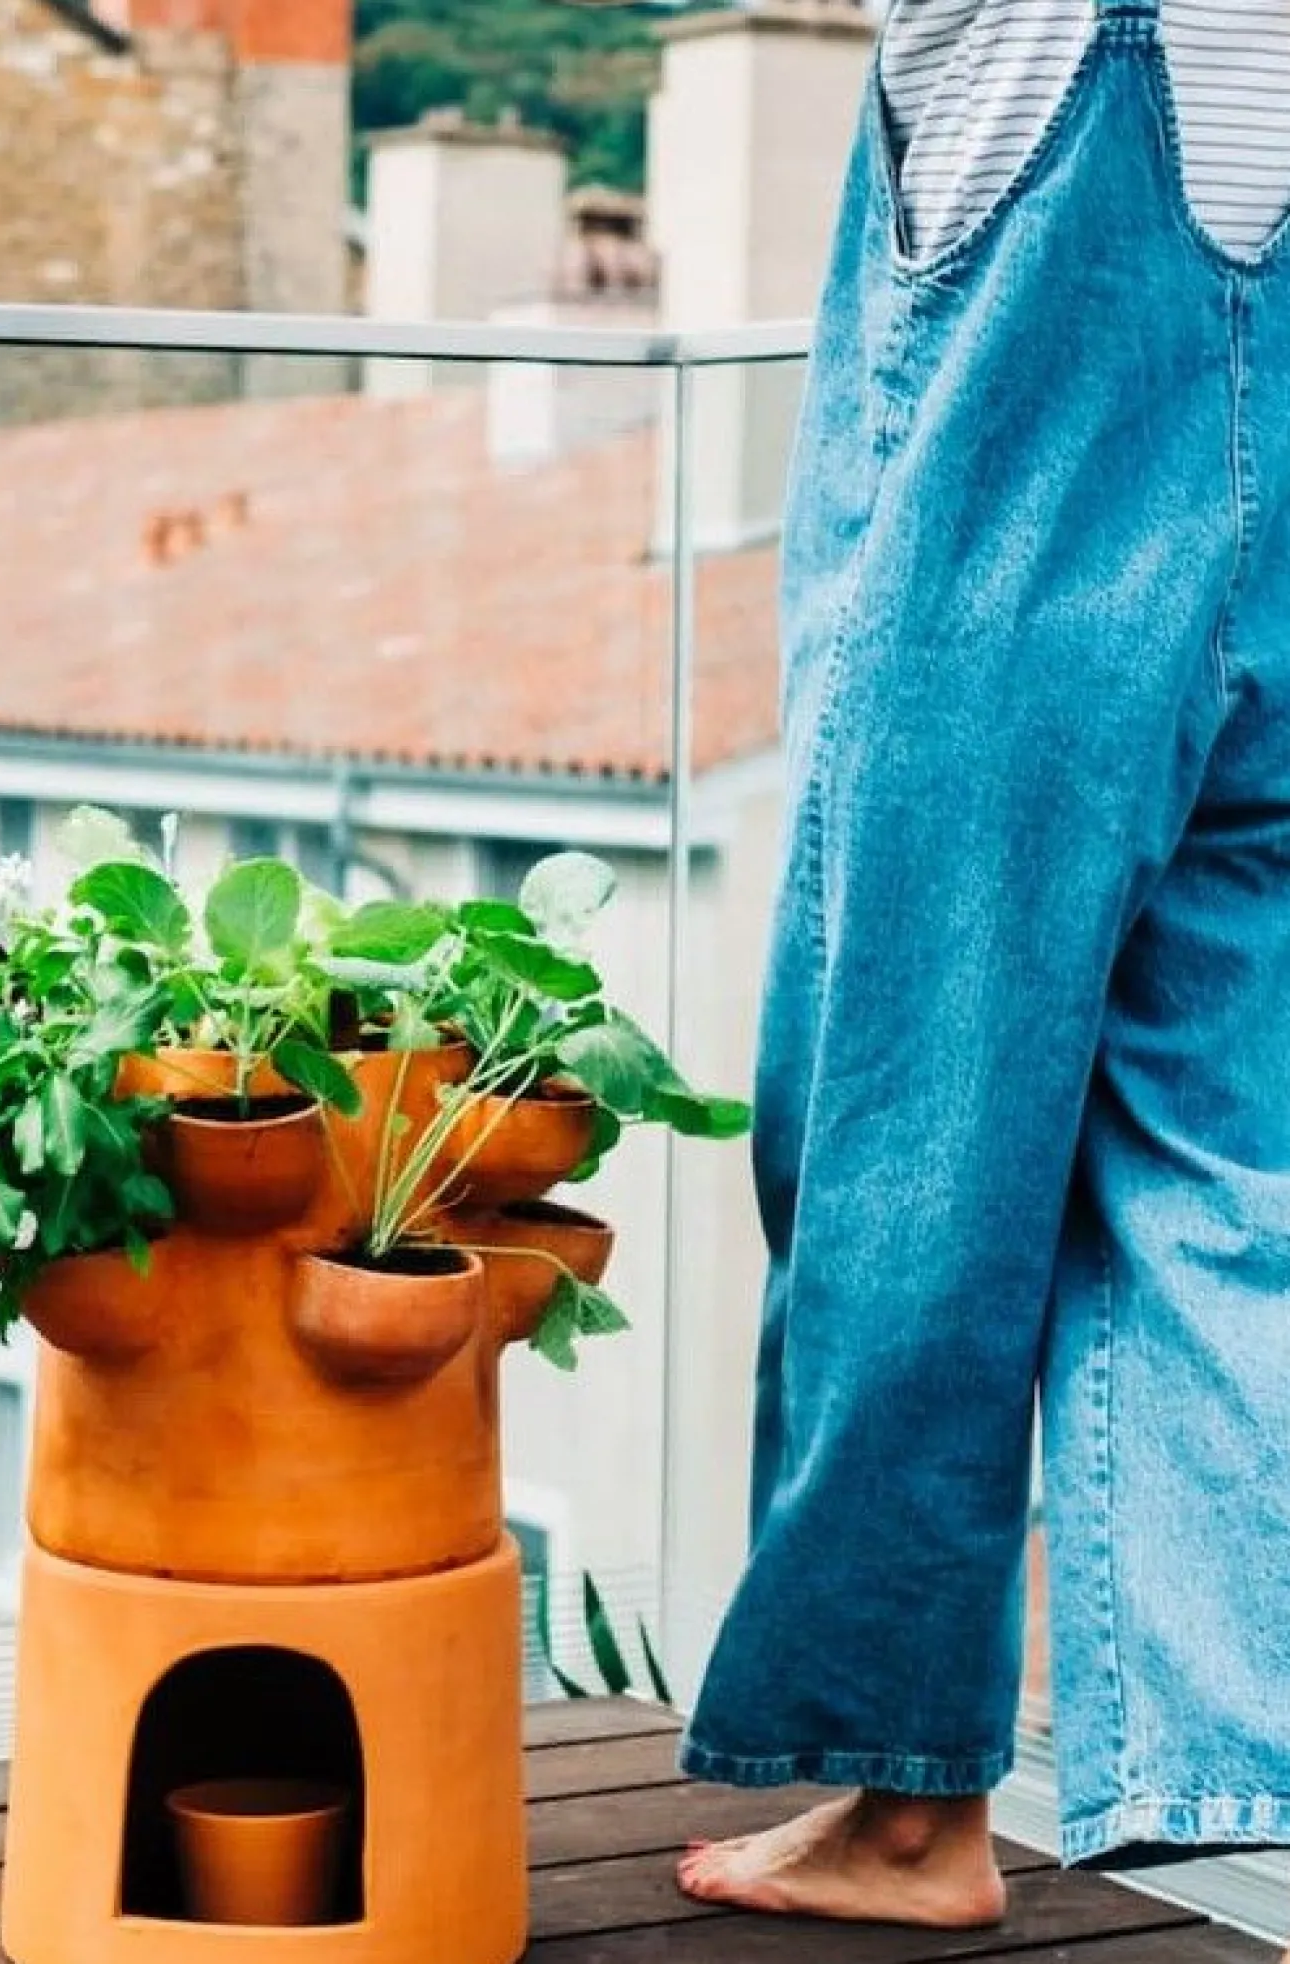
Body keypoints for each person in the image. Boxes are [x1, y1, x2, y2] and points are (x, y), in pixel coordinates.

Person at [671, 0, 1290, 1951]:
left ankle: (907, 1798)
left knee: (910, 1148)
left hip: (1029, 458)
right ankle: (1236, 1786)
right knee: (1222, 1171)